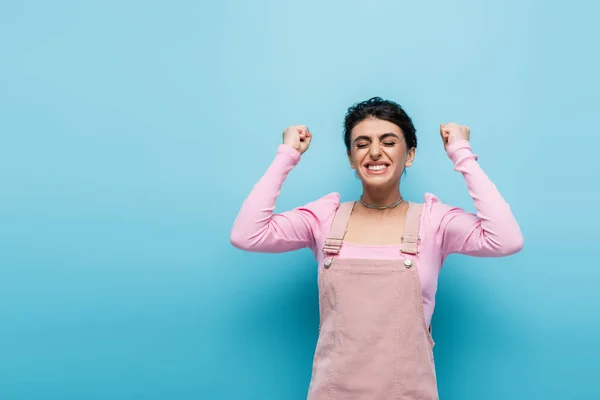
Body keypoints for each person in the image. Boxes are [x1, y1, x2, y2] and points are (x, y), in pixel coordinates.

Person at [230, 97, 523, 399]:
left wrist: (461, 152)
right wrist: (286, 155)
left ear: (409, 155)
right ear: (350, 158)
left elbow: (506, 238)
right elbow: (247, 234)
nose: (374, 152)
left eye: (388, 141)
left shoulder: (434, 221)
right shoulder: (324, 218)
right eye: (361, 143)